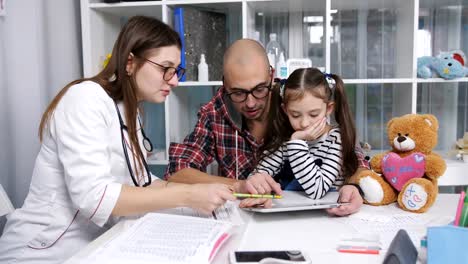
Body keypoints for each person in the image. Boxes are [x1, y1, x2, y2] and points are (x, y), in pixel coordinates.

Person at [0, 16, 234, 264]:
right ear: (130, 63)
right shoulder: (85, 99)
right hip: (42, 252)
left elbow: (143, 183)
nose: (174, 80)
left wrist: (205, 192)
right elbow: (94, 197)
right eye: (165, 69)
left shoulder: (128, 112)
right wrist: (187, 196)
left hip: (95, 246)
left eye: (176, 71)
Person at [166, 39, 368, 216]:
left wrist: (355, 186)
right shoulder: (215, 111)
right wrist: (239, 185)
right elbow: (178, 170)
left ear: (271, 75)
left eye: (260, 89)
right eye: (238, 93)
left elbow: (354, 156)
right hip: (245, 216)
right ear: (224, 84)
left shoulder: (294, 98)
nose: (251, 103)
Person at [239, 68, 358, 208]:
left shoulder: (336, 139)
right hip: (290, 218)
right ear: (285, 110)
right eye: (295, 115)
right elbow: (259, 174)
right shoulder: (286, 141)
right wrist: (257, 185)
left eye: (313, 114)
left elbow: (317, 190)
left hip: (327, 219)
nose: (304, 123)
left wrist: (296, 142)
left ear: (329, 109)